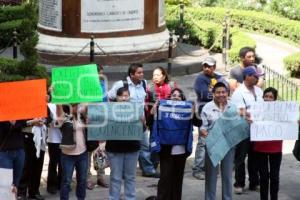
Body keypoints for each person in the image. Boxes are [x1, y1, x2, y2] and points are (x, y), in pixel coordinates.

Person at [108, 63, 159, 178]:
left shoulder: (144, 83)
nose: (142, 74)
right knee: (126, 149)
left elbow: (142, 100)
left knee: (145, 146)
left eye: (142, 72)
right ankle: (122, 172)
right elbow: (110, 97)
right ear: (131, 74)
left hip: (140, 122)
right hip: (125, 124)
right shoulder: (121, 84)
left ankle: (148, 170)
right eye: (139, 73)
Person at [150, 88, 193, 200]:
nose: (176, 97)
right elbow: (151, 124)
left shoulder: (188, 109)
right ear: (169, 98)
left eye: (179, 96)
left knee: (178, 179)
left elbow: (199, 123)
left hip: (182, 150)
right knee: (165, 178)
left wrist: (195, 111)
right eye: (173, 95)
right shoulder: (162, 108)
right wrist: (153, 111)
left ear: (183, 99)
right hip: (165, 149)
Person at [192, 57, 227, 180]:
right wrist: (217, 94)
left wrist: (217, 93)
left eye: (209, 66)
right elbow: (202, 93)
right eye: (205, 66)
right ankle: (197, 169)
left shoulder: (219, 77)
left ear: (214, 67)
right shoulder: (200, 78)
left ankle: (211, 168)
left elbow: (226, 90)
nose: (207, 68)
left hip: (219, 114)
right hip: (203, 113)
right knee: (203, 142)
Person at [231, 66, 264, 194]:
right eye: (256, 76)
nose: (258, 78)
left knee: (255, 157)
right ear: (248, 76)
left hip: (257, 130)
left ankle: (254, 183)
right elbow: (239, 110)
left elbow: (264, 107)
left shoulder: (259, 90)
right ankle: (239, 183)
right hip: (243, 130)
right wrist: (247, 115)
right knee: (240, 158)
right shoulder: (239, 92)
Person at [201, 82, 236, 200]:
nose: (221, 94)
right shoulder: (207, 107)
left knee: (227, 176)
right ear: (213, 94)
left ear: (227, 93)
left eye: (223, 92)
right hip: (213, 145)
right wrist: (203, 132)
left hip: (228, 145)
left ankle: (227, 198)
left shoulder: (233, 106)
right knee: (211, 175)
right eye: (218, 92)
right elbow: (203, 126)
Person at [106, 86, 141, 200]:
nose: (124, 98)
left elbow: (143, 129)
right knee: (115, 177)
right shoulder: (109, 110)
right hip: (114, 148)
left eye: (126, 96)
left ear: (129, 97)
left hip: (132, 148)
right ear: (117, 97)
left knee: (130, 177)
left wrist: (142, 121)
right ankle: (113, 198)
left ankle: (130, 198)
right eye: (121, 96)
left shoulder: (136, 109)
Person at [253, 87, 282, 200]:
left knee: (274, 177)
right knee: (263, 177)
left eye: (271, 97)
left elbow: (288, 123)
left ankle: (274, 198)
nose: (268, 99)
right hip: (260, 148)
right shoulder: (256, 110)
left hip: (276, 148)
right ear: (263, 97)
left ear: (275, 99)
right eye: (266, 96)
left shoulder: (281, 111)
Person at [146, 66, 176, 168]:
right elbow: (146, 103)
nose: (155, 77)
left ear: (163, 76)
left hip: (168, 119)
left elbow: (178, 98)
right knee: (153, 140)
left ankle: (167, 163)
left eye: (158, 75)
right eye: (154, 75)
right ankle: (152, 165)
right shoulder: (149, 87)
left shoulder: (171, 86)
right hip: (155, 119)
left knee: (167, 141)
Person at [57, 104, 88, 200]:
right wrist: (56, 97)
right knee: (66, 181)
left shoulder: (82, 116)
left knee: (82, 180)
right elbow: (59, 107)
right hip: (67, 155)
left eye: (77, 105)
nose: (76, 107)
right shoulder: (63, 117)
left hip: (83, 153)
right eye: (74, 105)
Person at [86, 64, 109, 190]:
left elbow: (106, 101)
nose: (101, 75)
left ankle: (101, 176)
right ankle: (87, 178)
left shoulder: (103, 84)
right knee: (89, 150)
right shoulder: (86, 86)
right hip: (90, 121)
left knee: (100, 150)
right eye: (100, 72)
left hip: (102, 120)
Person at [18, 117, 47, 200]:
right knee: (26, 165)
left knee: (38, 165)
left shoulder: (43, 105)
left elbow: (49, 118)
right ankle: (21, 192)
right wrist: (32, 122)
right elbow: (19, 122)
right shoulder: (23, 105)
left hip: (41, 135)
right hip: (27, 135)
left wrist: (43, 121)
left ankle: (34, 191)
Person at [0, 120, 27, 198]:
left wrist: (16, 123)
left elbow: (23, 123)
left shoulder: (18, 113)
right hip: (5, 152)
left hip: (20, 150)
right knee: (6, 185)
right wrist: (11, 123)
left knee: (15, 184)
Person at [47, 97, 62, 195]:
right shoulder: (49, 105)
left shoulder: (66, 104)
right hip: (53, 139)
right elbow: (52, 122)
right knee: (53, 163)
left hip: (65, 139)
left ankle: (62, 184)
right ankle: (51, 185)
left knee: (63, 163)